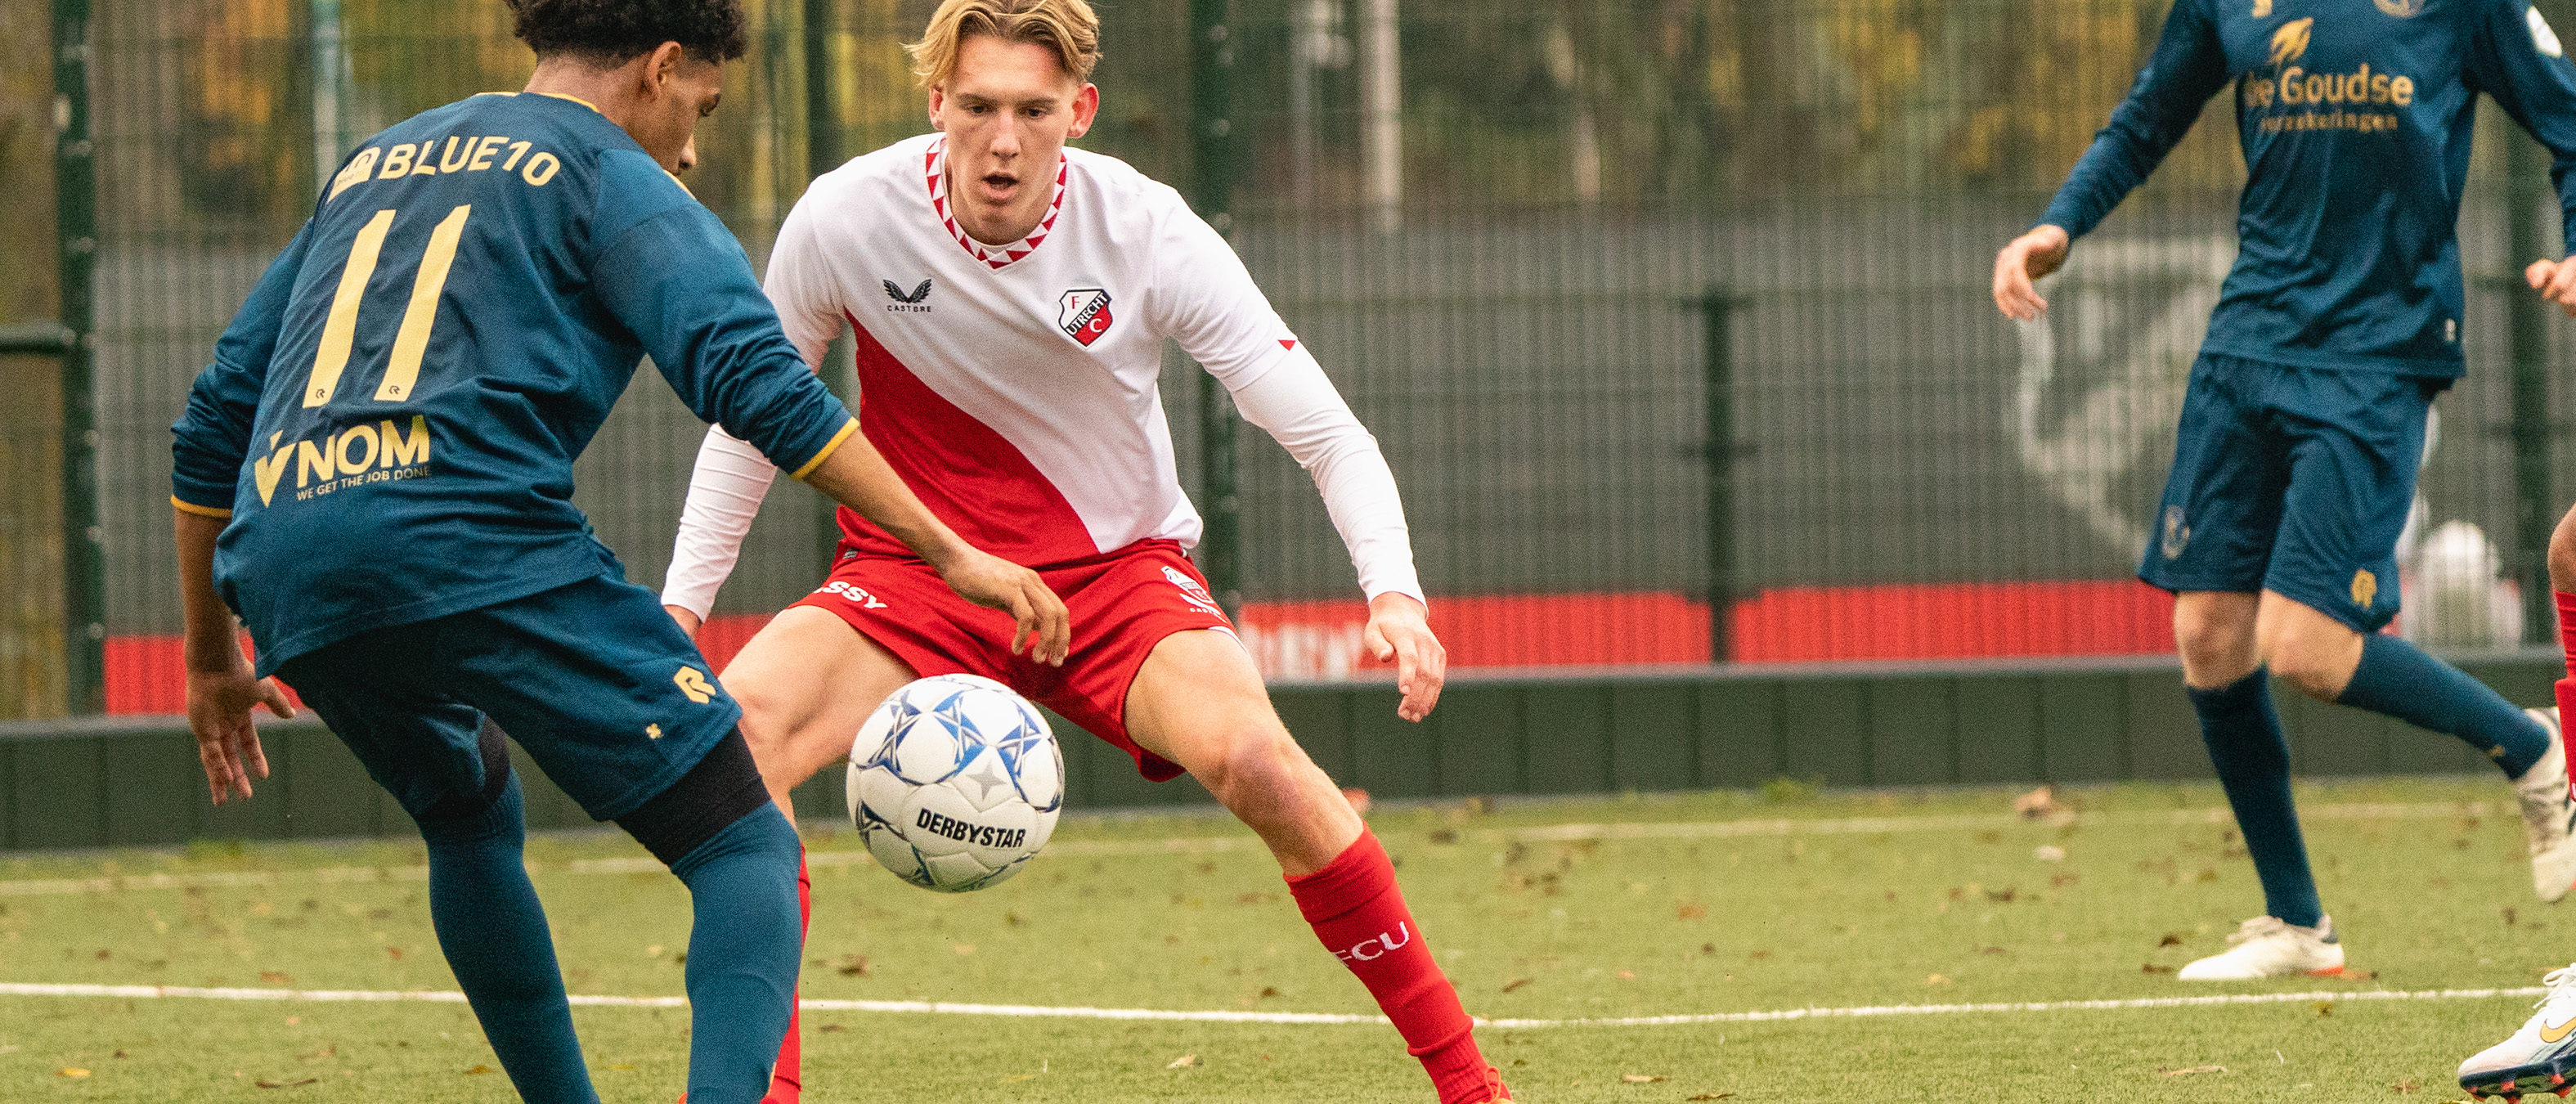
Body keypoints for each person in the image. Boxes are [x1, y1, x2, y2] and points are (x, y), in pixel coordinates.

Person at [167, 1, 1066, 1101]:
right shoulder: (611, 173)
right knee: (744, 844)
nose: (692, 144)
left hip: (290, 556)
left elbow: (215, 419)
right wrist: (949, 550)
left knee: (466, 808)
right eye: (702, 107)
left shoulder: (377, 160)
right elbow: (758, 383)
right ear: (662, 67)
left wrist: (213, 659)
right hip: (472, 535)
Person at [656, 1, 1509, 1100]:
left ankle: (1469, 1084)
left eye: (1031, 109)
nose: (1002, 138)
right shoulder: (843, 220)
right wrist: (681, 605)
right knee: (737, 745)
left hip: (1116, 580)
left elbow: (1324, 430)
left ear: (1080, 112)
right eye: (976, 107)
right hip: (916, 575)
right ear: (936, 105)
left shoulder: (1147, 230)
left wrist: (1392, 592)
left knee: (1264, 766)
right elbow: (751, 424)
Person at [1992, 0, 2576, 981]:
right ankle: (2299, 922)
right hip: (2248, 342)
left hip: (2378, 356)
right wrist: (2060, 223)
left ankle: (2531, 748)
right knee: (2209, 634)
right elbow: (2145, 118)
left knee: (2306, 647)